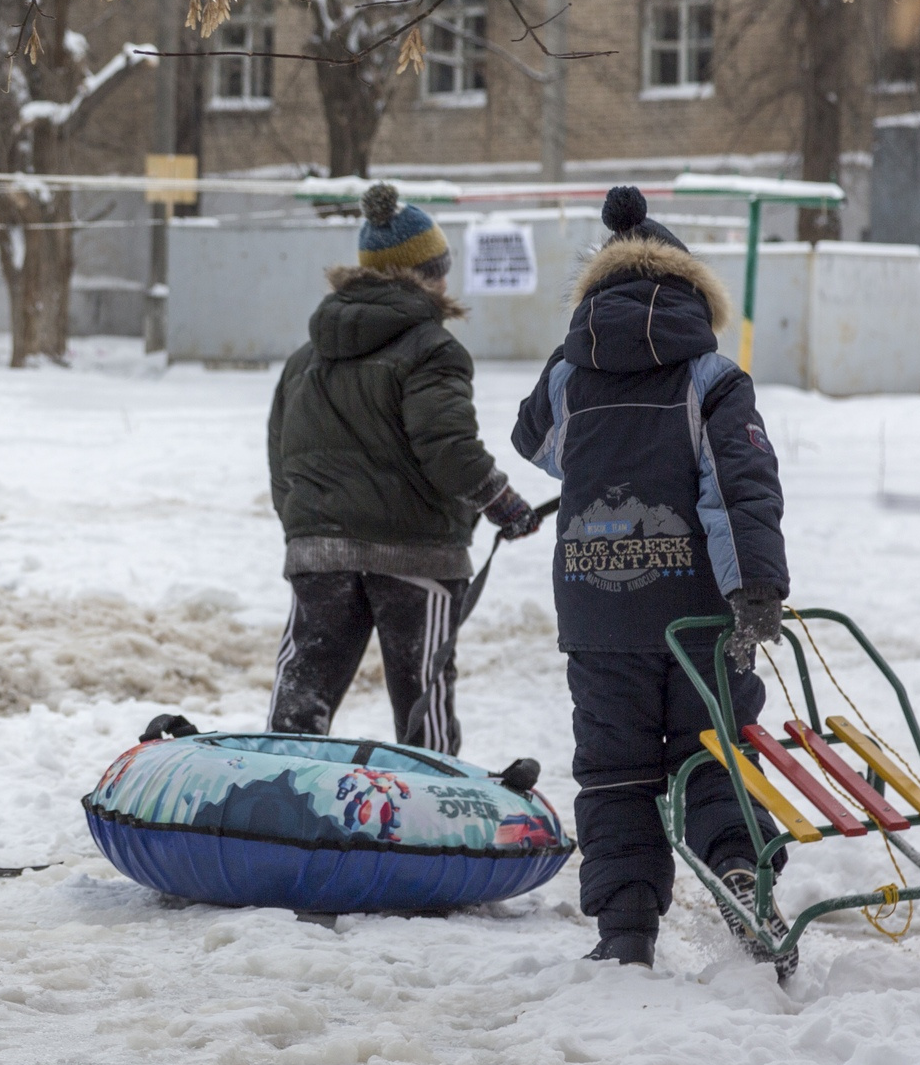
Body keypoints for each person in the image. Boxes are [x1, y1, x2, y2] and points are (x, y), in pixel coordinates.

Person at [512, 185, 788, 970]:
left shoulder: (571, 375)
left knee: (614, 768)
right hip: (700, 615)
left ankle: (625, 930)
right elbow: (739, 490)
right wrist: (755, 589)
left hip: (599, 613)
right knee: (716, 748)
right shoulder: (712, 378)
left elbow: (531, 437)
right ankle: (741, 871)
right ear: (695, 294)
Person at [266, 182, 540, 755]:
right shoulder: (433, 349)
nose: (446, 280)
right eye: (440, 269)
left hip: (320, 554)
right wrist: (503, 503)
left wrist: (309, 527)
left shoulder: (305, 358)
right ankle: (434, 818)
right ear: (425, 275)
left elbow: (281, 457)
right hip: (417, 556)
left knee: (301, 698)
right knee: (423, 709)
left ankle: (277, 804)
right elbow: (447, 448)